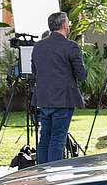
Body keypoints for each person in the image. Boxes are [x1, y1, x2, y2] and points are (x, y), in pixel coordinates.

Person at [31, 11, 87, 164]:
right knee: (57, 139)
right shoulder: (71, 47)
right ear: (64, 25)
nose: (69, 26)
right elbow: (81, 75)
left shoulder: (38, 46)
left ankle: (41, 173)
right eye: (68, 23)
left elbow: (35, 71)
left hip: (44, 98)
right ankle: (54, 175)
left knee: (45, 138)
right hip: (63, 99)